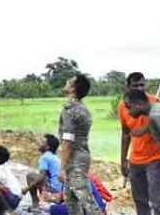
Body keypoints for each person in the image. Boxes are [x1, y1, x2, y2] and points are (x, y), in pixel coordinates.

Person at [118, 72, 160, 215]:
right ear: (128, 87)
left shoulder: (155, 102)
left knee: (157, 200)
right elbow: (125, 133)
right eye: (135, 85)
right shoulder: (123, 106)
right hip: (135, 159)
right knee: (140, 200)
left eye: (142, 85)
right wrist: (123, 161)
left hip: (156, 157)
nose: (140, 88)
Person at [57, 75, 103, 215]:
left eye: (69, 81)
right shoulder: (83, 109)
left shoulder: (70, 109)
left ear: (73, 88)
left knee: (85, 199)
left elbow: (67, 141)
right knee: (71, 200)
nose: (66, 82)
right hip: (82, 155)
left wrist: (62, 168)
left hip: (74, 158)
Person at [23, 133, 63, 211]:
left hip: (54, 189)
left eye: (42, 142)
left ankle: (35, 205)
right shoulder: (54, 157)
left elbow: (41, 177)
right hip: (61, 189)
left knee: (30, 176)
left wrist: (26, 189)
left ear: (47, 147)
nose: (40, 143)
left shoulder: (44, 157)